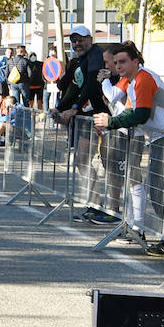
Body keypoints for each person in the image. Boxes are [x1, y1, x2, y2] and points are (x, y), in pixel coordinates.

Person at [92, 42, 164, 257]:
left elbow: (141, 114)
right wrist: (114, 121)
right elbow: (128, 111)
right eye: (115, 63)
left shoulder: (144, 79)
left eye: (123, 61)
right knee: (159, 192)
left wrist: (112, 122)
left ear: (136, 61)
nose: (118, 66)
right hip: (158, 138)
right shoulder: (131, 81)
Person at [55, 25, 113, 225]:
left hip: (105, 116)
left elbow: (91, 83)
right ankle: (94, 203)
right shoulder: (79, 59)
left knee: (110, 164)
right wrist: (60, 106)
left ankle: (112, 209)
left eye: (80, 39)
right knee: (81, 160)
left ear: (90, 39)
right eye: (74, 41)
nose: (77, 43)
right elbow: (73, 86)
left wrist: (75, 108)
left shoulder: (96, 54)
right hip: (89, 118)